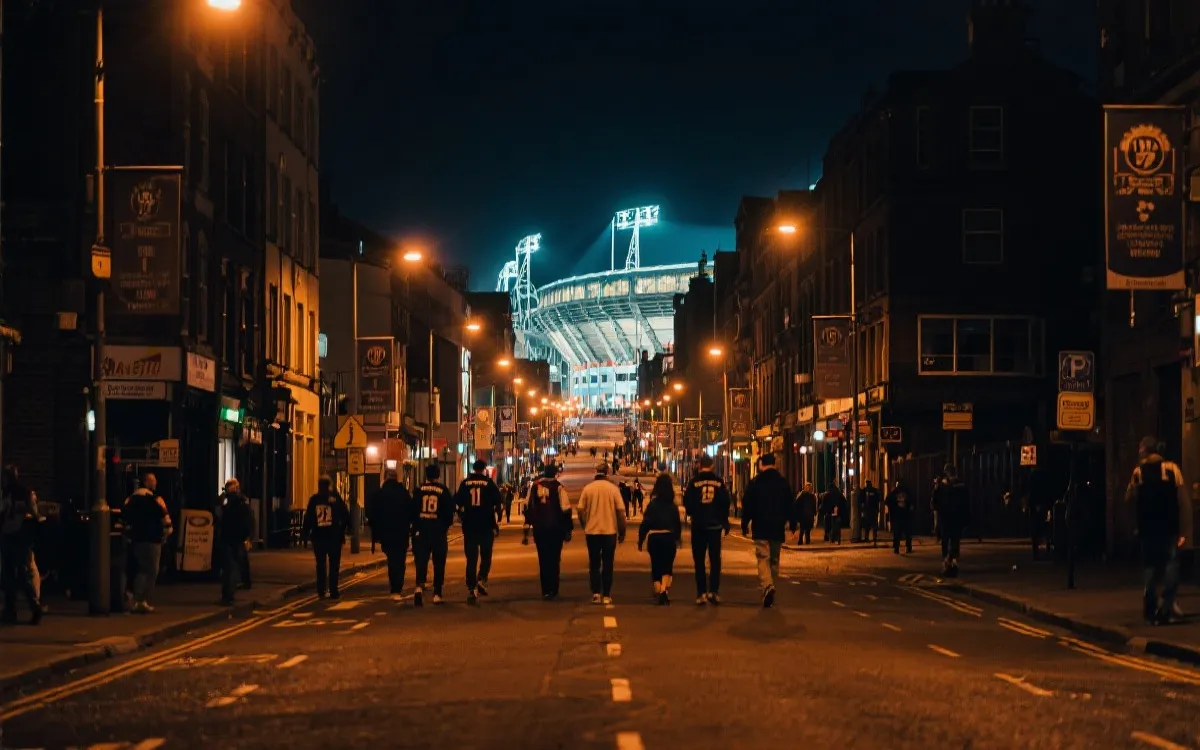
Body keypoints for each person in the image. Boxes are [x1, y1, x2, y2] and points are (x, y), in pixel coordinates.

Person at [1126, 436, 1192, 625]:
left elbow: (1129, 499)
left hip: (1147, 529)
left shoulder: (1138, 472)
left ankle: (1150, 607)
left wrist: (1135, 524)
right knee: (1171, 565)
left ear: (1145, 452)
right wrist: (1185, 530)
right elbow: (1183, 502)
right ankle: (1166, 605)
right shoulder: (1172, 469)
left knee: (1150, 567)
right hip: (1169, 527)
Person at [741, 454, 796, 608]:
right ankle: (771, 584)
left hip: (761, 527)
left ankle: (767, 585)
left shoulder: (755, 483)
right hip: (777, 527)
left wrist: (744, 523)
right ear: (775, 464)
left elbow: (748, 505)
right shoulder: (783, 483)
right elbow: (790, 504)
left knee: (763, 557)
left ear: (761, 465)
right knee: (774, 559)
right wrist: (792, 524)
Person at [683, 454, 731, 605]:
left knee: (699, 560)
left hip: (699, 525)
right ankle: (714, 591)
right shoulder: (719, 482)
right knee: (715, 559)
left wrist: (693, 513)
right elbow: (725, 502)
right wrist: (724, 520)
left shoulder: (694, 482)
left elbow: (688, 503)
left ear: (699, 466)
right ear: (712, 466)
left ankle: (701, 592)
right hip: (715, 525)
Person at [122, 473, 174, 614]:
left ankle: (134, 599)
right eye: (153, 481)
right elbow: (166, 521)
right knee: (151, 571)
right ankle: (142, 600)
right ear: (148, 483)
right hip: (152, 540)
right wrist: (165, 534)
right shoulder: (156, 500)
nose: (155, 484)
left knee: (139, 569)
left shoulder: (130, 499)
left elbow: (124, 518)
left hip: (136, 539)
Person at [578, 462, 626, 604]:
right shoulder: (613, 489)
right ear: (607, 472)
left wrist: (585, 524)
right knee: (608, 563)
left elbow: (580, 510)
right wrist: (622, 530)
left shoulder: (588, 489)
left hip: (592, 532)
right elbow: (620, 512)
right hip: (609, 531)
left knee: (594, 563)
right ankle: (607, 594)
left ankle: (596, 593)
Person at [523, 462, 573, 600]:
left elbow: (527, 506)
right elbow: (566, 509)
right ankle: (553, 588)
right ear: (555, 473)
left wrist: (526, 528)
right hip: (556, 529)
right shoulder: (559, 487)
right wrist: (568, 529)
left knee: (543, 558)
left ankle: (545, 589)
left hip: (540, 529)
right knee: (555, 558)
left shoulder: (534, 486)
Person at [1, 466, 44, 624]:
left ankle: (16, 610)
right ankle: (31, 607)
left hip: (13, 536)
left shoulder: (6, 494)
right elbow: (35, 514)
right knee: (20, 574)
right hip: (19, 536)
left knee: (13, 574)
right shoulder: (25, 493)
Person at [456, 460, 502, 605]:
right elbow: (498, 501)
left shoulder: (465, 483)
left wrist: (462, 515)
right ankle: (482, 578)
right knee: (486, 555)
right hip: (486, 524)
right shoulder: (488, 483)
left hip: (469, 524)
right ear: (483, 469)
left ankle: (471, 586)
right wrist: (496, 521)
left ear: (473, 469)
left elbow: (457, 501)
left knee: (471, 557)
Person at [366, 468, 413, 602]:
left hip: (386, 532)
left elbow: (371, 513)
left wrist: (376, 528)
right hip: (401, 532)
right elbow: (411, 511)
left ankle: (394, 586)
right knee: (400, 560)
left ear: (385, 478)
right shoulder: (404, 493)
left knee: (392, 559)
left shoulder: (379, 494)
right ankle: (398, 587)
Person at [412, 464, 456, 606]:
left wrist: (416, 526)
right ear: (438, 475)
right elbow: (449, 512)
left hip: (422, 530)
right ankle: (437, 593)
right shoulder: (443, 491)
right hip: (437, 531)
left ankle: (419, 586)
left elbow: (412, 510)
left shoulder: (418, 490)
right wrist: (444, 526)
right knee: (439, 563)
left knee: (421, 560)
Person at [303, 475, 351, 600]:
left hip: (319, 536)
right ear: (329, 485)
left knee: (320, 564)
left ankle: (321, 590)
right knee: (334, 564)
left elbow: (308, 518)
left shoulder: (314, 499)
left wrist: (305, 533)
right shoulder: (335, 498)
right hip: (334, 536)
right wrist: (344, 529)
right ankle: (333, 590)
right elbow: (345, 514)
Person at [639, 473, 682, 605]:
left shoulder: (652, 505)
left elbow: (645, 523)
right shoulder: (673, 506)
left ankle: (658, 587)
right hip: (668, 537)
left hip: (655, 537)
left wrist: (640, 539)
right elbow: (677, 524)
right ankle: (664, 590)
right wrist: (677, 538)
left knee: (656, 564)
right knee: (667, 565)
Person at [216, 479, 253, 606]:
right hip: (237, 538)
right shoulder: (243, 502)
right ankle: (235, 590)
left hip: (229, 537)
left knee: (229, 567)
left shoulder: (227, 502)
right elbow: (248, 520)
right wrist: (247, 537)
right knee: (235, 566)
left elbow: (221, 517)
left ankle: (228, 595)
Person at [932, 465, 970, 577]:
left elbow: (935, 501)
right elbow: (966, 501)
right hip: (957, 517)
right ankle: (952, 562)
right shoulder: (961, 485)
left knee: (945, 540)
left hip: (946, 517)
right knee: (955, 540)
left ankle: (947, 562)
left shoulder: (943, 485)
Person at [884, 479, 914, 555]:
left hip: (899, 516)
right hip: (902, 515)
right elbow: (887, 501)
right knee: (905, 532)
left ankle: (898, 548)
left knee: (899, 532)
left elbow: (887, 501)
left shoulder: (895, 493)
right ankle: (905, 547)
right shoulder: (904, 492)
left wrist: (892, 508)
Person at [857, 480, 882, 546]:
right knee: (870, 525)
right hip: (871, 510)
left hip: (869, 510)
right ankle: (872, 537)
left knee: (869, 525)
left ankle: (870, 537)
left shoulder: (867, 491)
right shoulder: (871, 491)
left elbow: (860, 500)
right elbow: (878, 499)